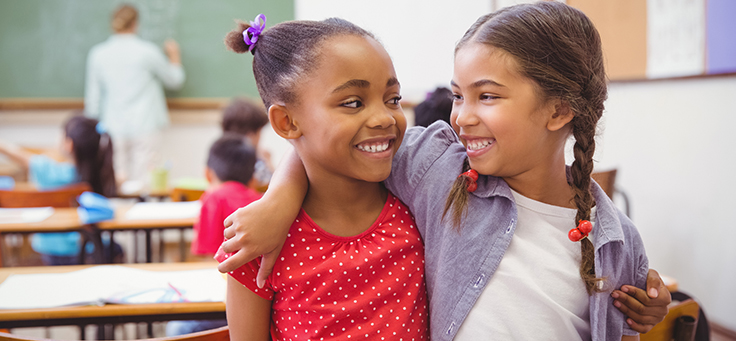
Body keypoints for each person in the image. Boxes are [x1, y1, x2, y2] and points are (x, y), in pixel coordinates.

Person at [216, 3, 672, 340]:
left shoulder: (615, 238)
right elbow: (325, 147)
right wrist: (277, 202)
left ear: (559, 110)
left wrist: (652, 308)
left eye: (487, 97)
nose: (462, 117)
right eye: (458, 96)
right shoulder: (438, 169)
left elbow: (625, 320)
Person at [215, 15, 428, 340]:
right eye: (353, 102)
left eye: (393, 99)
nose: (384, 117)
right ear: (287, 122)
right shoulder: (257, 243)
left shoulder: (421, 206)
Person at [165, 134, 261, 336]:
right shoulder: (260, 201)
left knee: (176, 328)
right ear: (253, 177)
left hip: (222, 300)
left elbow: (205, 256)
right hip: (256, 302)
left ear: (208, 174)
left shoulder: (212, 199)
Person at [84, 4, 185, 185]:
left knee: (115, 182)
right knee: (144, 184)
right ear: (135, 24)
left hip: (112, 127)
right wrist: (175, 56)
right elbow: (175, 80)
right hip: (145, 125)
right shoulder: (147, 52)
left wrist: (91, 132)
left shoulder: (98, 54)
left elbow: (93, 99)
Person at [0, 115, 121, 265]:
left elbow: (20, 155)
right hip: (89, 249)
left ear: (68, 144)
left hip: (52, 251)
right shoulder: (101, 171)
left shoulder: (49, 171)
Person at [220, 97, 273, 191]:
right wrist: (268, 162)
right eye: (259, 133)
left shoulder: (218, 158)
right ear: (251, 136)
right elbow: (273, 188)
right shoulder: (258, 161)